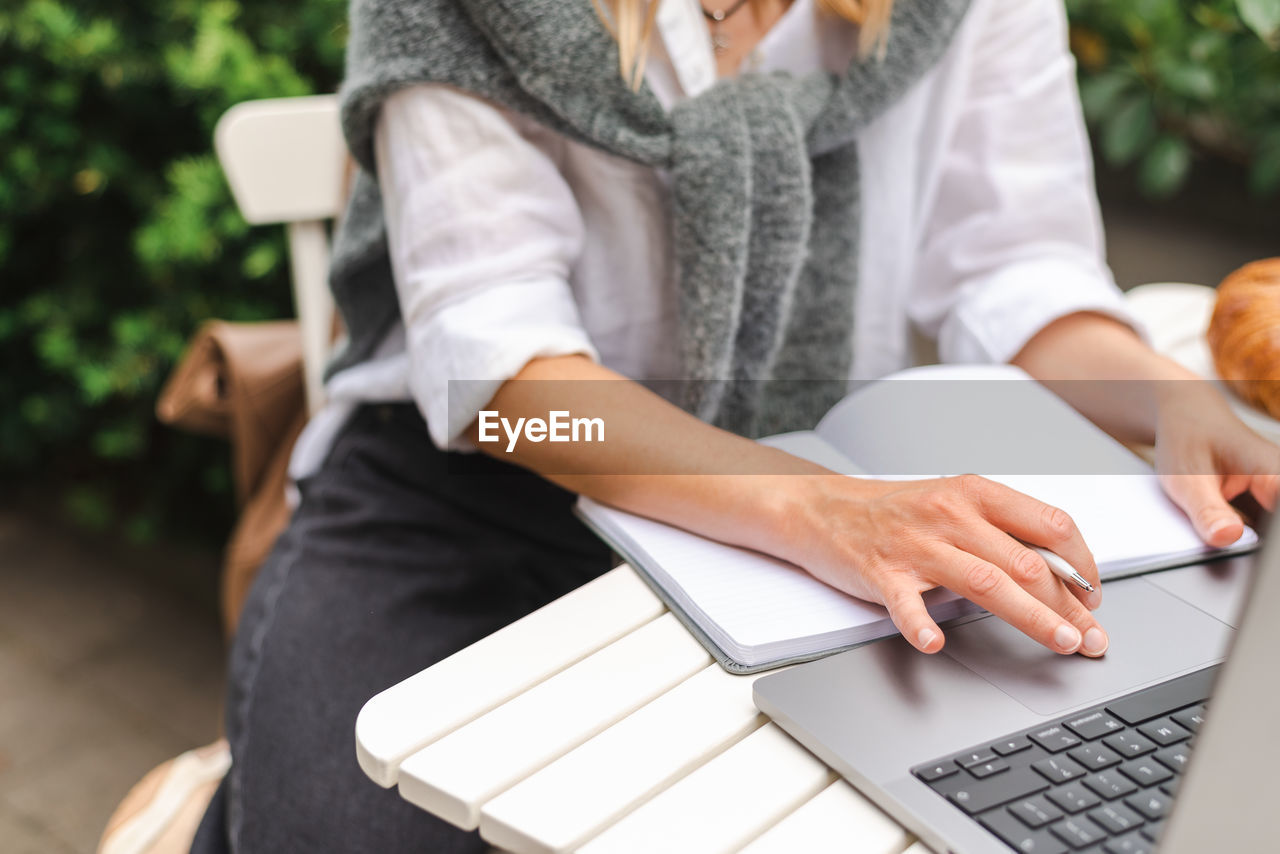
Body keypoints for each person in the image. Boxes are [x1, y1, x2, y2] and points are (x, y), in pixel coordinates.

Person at [189, 0, 1280, 851]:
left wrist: (1166, 399)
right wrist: (819, 508)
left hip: (833, 522)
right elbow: (509, 380)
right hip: (474, 506)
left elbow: (1010, 266)